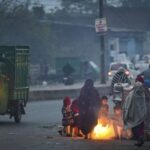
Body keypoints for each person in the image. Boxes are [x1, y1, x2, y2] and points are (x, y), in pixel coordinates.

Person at [122, 77, 147, 147]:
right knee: (141, 126)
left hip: (134, 115)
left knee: (135, 127)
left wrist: (126, 113)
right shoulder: (142, 94)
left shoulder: (132, 94)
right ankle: (140, 138)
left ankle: (139, 139)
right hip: (141, 114)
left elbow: (127, 104)